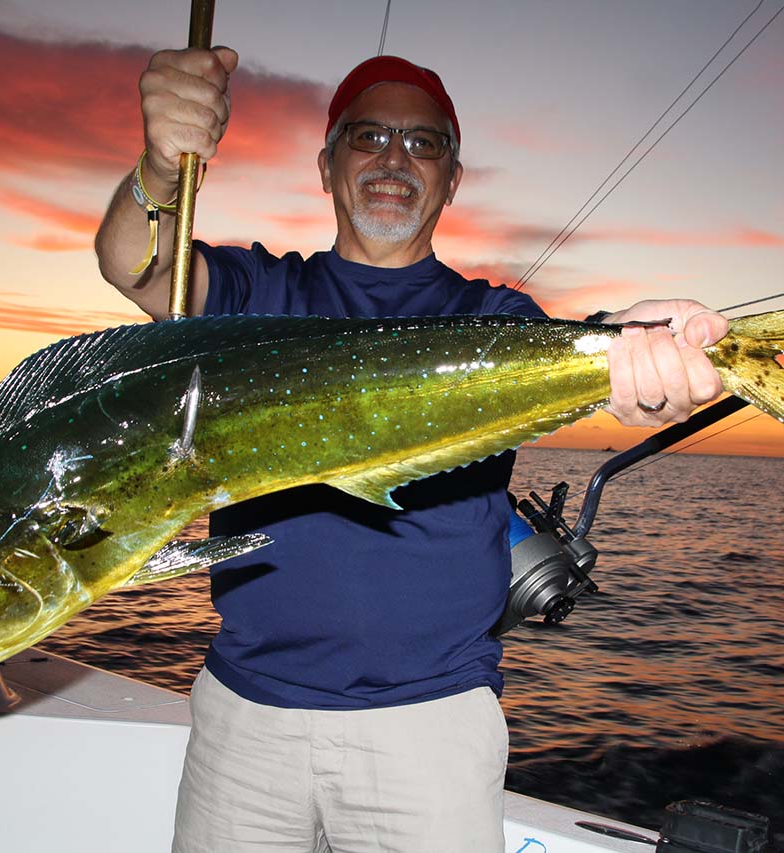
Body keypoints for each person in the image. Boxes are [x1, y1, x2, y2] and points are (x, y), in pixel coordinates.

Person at [95, 46, 728, 853]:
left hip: (430, 728)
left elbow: (592, 366)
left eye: (423, 144)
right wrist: (156, 167)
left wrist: (638, 361)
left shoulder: (492, 314)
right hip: (244, 718)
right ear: (326, 164)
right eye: (368, 137)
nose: (394, 159)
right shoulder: (257, 298)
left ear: (453, 179)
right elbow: (134, 263)